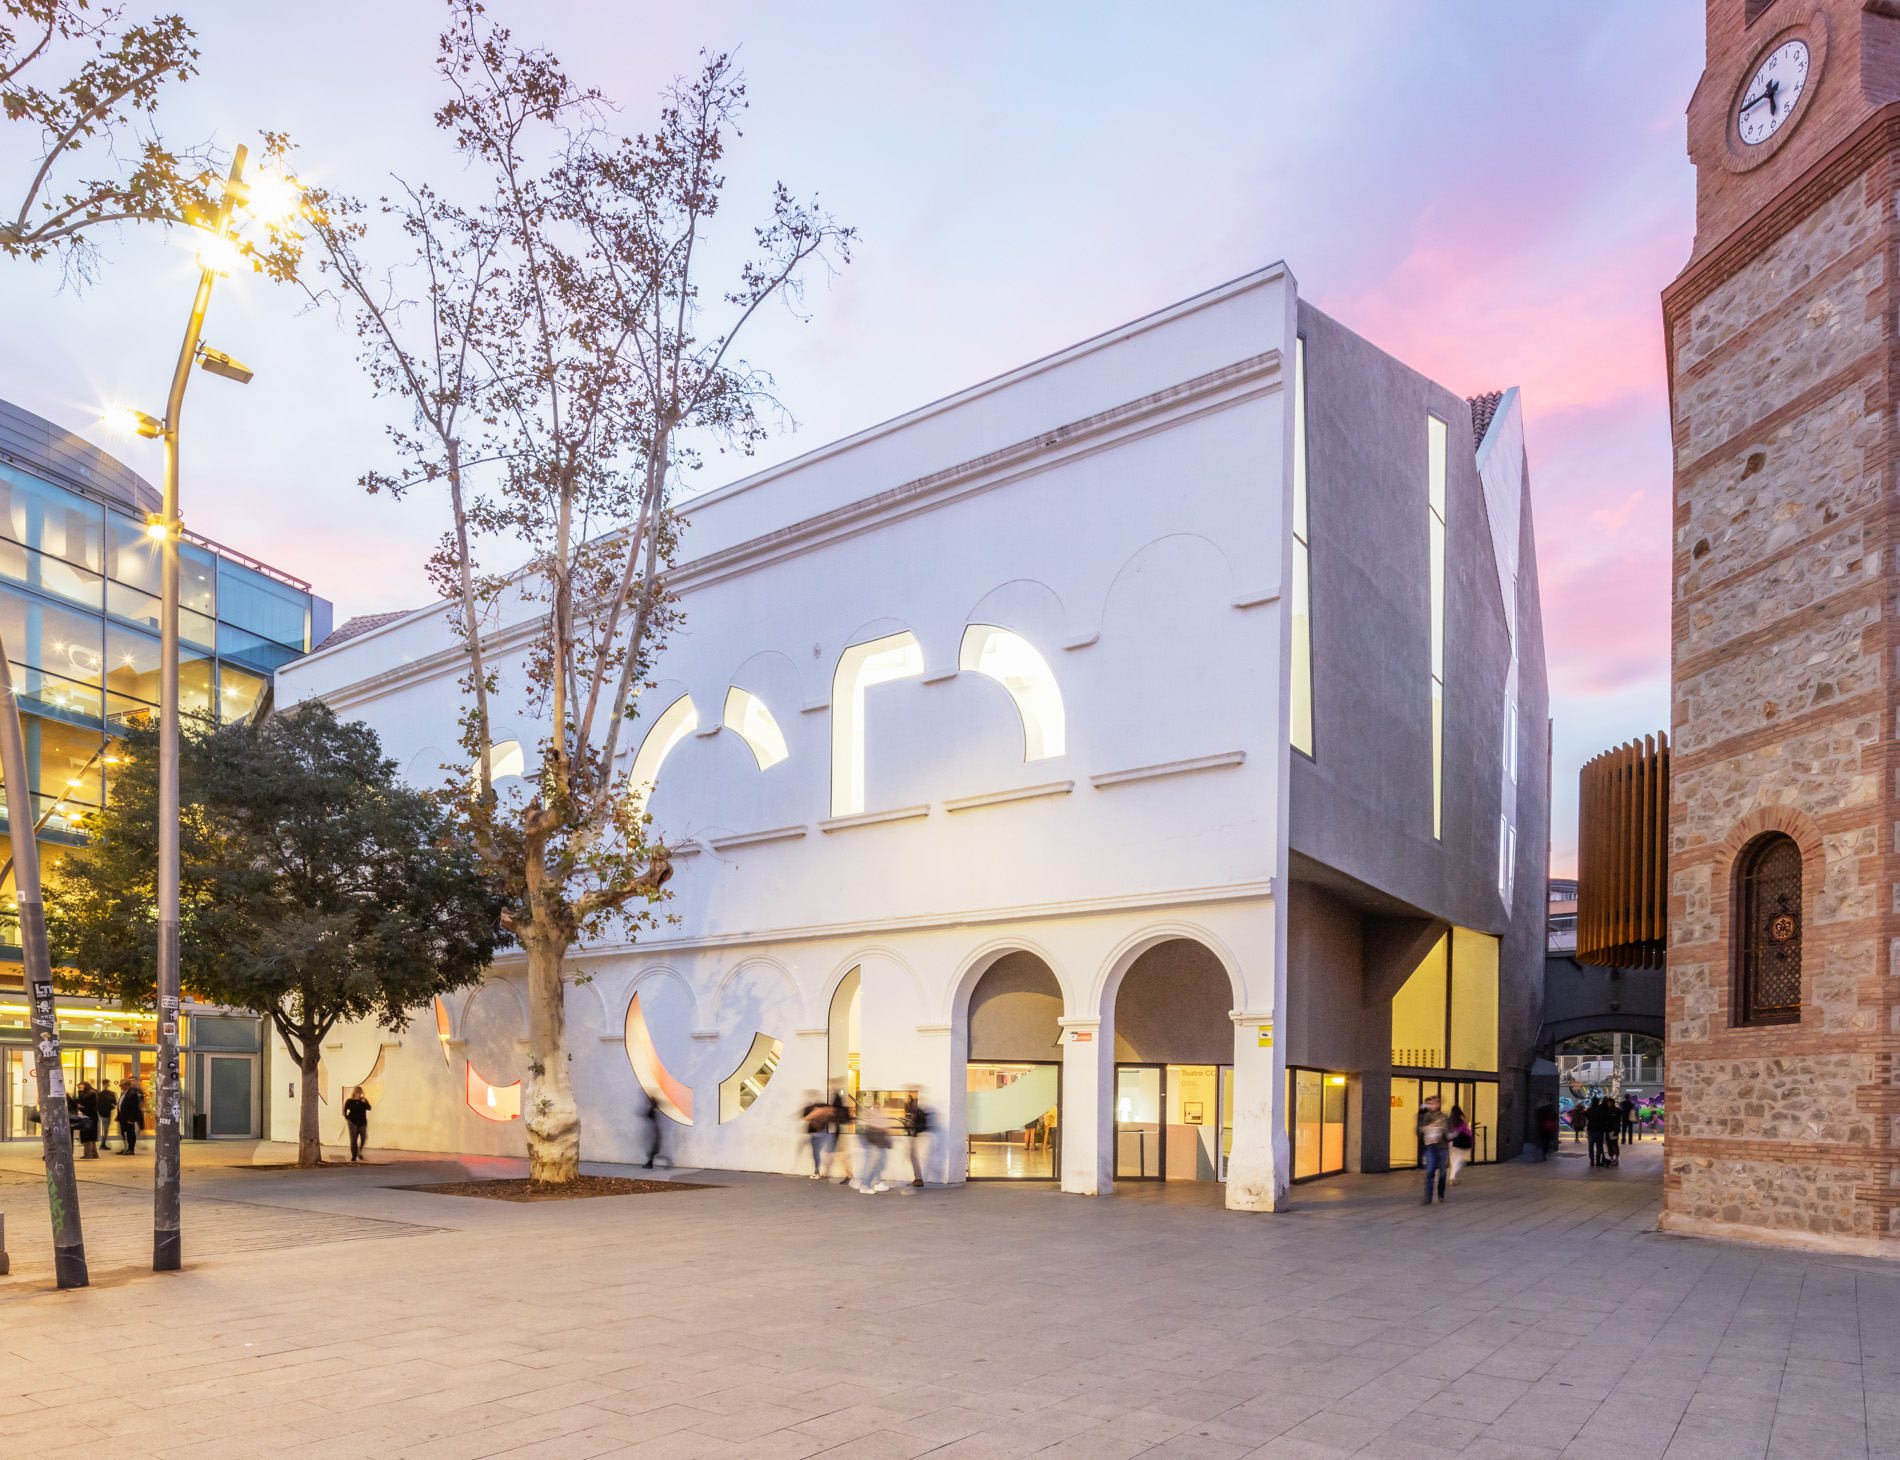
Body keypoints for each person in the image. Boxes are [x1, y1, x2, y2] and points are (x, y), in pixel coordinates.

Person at [1417, 1093, 1451, 1204]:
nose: (1433, 1105)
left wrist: (1440, 1129)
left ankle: (1441, 1194)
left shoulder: (1444, 1117)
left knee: (1442, 1172)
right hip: (1430, 1147)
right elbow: (1418, 1131)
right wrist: (1426, 1128)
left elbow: (1448, 1132)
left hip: (1442, 1148)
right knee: (1430, 1172)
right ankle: (1428, 1198)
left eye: (1436, 1102)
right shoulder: (1424, 1117)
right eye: (1430, 1103)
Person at [853, 1097, 892, 1193]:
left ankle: (876, 1183)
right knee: (871, 1165)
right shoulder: (874, 1115)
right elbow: (879, 1126)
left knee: (878, 1164)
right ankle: (865, 1186)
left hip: (876, 1142)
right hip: (875, 1142)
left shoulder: (873, 1114)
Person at [902, 1087, 931, 1188]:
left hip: (914, 1134)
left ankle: (918, 1178)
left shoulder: (915, 1108)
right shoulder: (911, 1107)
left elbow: (913, 1121)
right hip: (913, 1134)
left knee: (913, 1156)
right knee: (912, 1156)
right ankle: (917, 1178)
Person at [799, 1092, 832, 1178]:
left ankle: (818, 1171)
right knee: (815, 1153)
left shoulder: (822, 1106)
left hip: (821, 1132)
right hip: (814, 1133)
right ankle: (817, 1170)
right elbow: (805, 1118)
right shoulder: (810, 1108)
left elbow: (830, 1112)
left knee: (817, 1152)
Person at [343, 1085, 372, 1162]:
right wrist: (347, 1119)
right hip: (353, 1123)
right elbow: (345, 1111)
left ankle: (360, 1150)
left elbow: (369, 1108)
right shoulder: (349, 1101)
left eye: (360, 1093)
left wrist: (364, 1102)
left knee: (363, 1137)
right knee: (353, 1140)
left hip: (362, 1122)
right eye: (357, 1093)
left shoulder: (363, 1100)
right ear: (354, 1093)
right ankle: (354, 1155)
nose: (358, 1094)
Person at [1446, 1104, 1473, 1185]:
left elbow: (1446, 1133)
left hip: (1451, 1143)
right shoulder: (1461, 1122)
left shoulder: (1449, 1122)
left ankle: (1452, 1178)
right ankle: (1452, 1178)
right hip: (1460, 1144)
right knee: (1458, 1161)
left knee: (1453, 1161)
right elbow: (1467, 1132)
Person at [116, 1077, 144, 1155]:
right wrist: (118, 1115)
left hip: (128, 1118)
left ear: (126, 1085)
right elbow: (121, 1105)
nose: (120, 1087)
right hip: (122, 1117)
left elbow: (134, 1107)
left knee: (130, 1133)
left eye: (121, 1085)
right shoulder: (123, 1093)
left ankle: (131, 1149)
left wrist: (131, 1119)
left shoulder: (132, 1093)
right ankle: (125, 1148)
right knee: (123, 1133)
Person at [72, 1082, 98, 1159]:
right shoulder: (92, 1093)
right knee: (90, 1136)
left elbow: (84, 1103)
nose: (79, 1089)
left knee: (88, 1136)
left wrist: (81, 1107)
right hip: (90, 1116)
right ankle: (94, 1153)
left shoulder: (91, 1094)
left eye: (81, 1087)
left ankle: (88, 1154)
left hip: (89, 1117)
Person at [93, 1080, 117, 1154]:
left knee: (105, 1129)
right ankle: (102, 1143)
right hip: (103, 1113)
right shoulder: (101, 1094)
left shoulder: (108, 1094)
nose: (105, 1085)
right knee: (105, 1129)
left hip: (104, 1113)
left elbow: (114, 1103)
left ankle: (103, 1143)